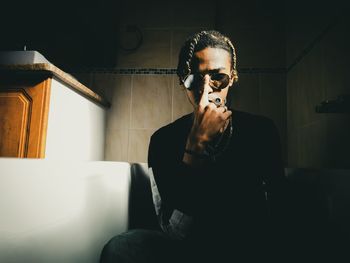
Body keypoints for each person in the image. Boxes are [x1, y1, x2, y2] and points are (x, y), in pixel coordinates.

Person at [100, 30, 289, 263]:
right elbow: (174, 231)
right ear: (183, 81)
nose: (206, 91)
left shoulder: (261, 131)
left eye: (218, 77)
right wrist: (195, 146)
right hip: (187, 252)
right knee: (121, 248)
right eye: (194, 80)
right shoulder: (163, 141)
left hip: (246, 250)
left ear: (233, 78)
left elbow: (279, 218)